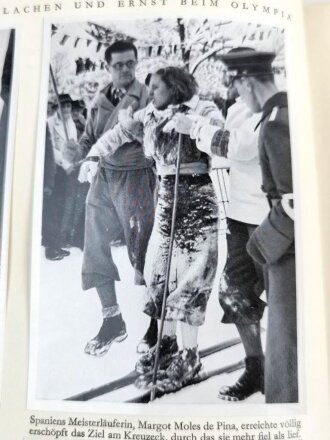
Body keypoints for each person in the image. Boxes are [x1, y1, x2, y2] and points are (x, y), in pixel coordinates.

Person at [84, 66, 222, 390]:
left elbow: (221, 136)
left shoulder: (202, 108)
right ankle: (168, 344)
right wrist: (93, 156)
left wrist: (195, 126)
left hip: (196, 199)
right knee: (160, 275)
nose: (151, 92)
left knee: (190, 279)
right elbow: (118, 134)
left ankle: (190, 356)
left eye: (156, 86)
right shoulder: (151, 113)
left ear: (174, 87)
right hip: (166, 198)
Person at [174, 67, 270, 401]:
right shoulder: (237, 107)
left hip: (270, 219)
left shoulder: (276, 106)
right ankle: (256, 366)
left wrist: (196, 126)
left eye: (235, 79)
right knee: (234, 293)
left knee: (286, 300)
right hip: (240, 215)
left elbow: (240, 147)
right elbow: (226, 143)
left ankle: (295, 368)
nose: (229, 85)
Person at [217, 47, 297, 403]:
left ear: (246, 81)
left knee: (287, 338)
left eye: (235, 83)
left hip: (282, 244)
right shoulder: (275, 113)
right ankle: (259, 371)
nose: (233, 91)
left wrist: (260, 244)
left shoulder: (278, 120)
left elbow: (293, 202)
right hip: (266, 231)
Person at [75, 40, 157, 357]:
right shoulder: (99, 98)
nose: (125, 69)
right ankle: (112, 320)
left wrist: (137, 127)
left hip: (136, 175)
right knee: (93, 245)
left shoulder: (149, 96)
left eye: (130, 63)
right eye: (118, 64)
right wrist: (77, 151)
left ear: (136, 64)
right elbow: (89, 138)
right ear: (108, 66)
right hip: (104, 176)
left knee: (144, 250)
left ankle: (157, 323)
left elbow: (155, 141)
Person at [45, 93, 78, 260]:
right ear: (57, 107)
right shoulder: (50, 123)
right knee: (54, 209)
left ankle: (57, 243)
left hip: (68, 170)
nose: (66, 109)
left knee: (63, 207)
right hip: (56, 170)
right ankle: (51, 247)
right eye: (63, 106)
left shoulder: (70, 122)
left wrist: (73, 158)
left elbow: (72, 143)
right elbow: (50, 149)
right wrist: (65, 162)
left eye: (68, 106)